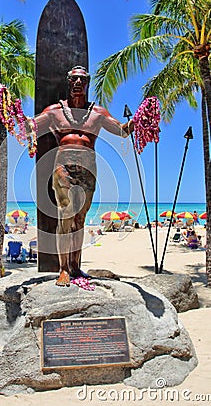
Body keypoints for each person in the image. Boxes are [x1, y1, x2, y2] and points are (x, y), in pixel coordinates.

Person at [35, 66, 134, 287]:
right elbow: (30, 126)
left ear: (87, 83)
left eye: (82, 80)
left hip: (88, 167)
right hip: (63, 166)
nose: (78, 83)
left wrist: (138, 120)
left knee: (79, 220)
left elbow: (121, 129)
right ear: (68, 82)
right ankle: (62, 269)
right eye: (74, 80)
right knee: (65, 216)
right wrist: (10, 111)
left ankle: (76, 265)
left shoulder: (97, 113)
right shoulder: (54, 111)